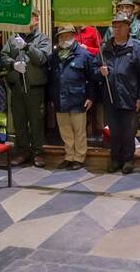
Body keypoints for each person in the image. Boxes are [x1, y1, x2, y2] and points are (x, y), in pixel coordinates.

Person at [97, 13, 140, 174]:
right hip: (110, 97)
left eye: (121, 26)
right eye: (115, 26)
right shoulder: (105, 49)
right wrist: (100, 71)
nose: (117, 29)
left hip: (130, 97)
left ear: (128, 28)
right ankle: (115, 159)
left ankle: (128, 160)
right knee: (114, 131)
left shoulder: (136, 49)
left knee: (128, 131)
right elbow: (93, 70)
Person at [1, 8, 51, 167]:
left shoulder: (43, 38)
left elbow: (42, 59)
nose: (26, 19)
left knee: (36, 121)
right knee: (19, 120)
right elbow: (3, 56)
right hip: (17, 86)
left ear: (36, 19)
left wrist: (27, 47)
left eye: (30, 16)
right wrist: (12, 64)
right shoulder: (12, 39)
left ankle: (38, 152)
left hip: (34, 86)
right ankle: (22, 151)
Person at [49, 24, 96, 170]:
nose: (65, 39)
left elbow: (93, 78)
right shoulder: (54, 56)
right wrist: (52, 98)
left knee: (79, 130)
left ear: (74, 36)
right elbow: (51, 78)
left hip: (78, 98)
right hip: (60, 99)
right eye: (62, 36)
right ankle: (69, 156)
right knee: (65, 130)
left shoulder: (84, 54)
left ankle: (79, 157)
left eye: (68, 35)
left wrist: (91, 97)